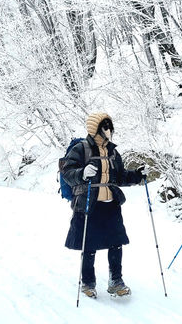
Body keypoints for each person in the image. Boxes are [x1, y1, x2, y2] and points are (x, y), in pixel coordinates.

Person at [61, 112, 147, 299]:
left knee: (116, 243)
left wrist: (138, 175)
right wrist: (82, 173)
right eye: (105, 126)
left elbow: (120, 176)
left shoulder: (113, 152)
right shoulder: (80, 149)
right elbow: (67, 172)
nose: (109, 130)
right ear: (95, 128)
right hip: (89, 204)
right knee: (89, 245)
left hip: (111, 204)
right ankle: (88, 283)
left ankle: (116, 281)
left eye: (110, 126)